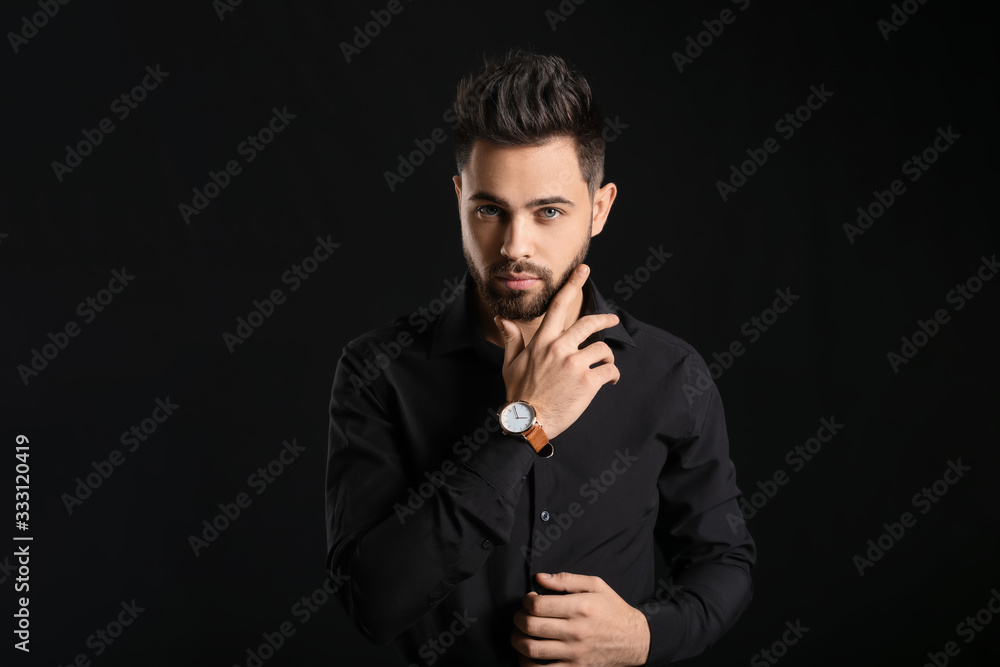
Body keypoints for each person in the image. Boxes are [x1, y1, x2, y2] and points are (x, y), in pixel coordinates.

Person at [325, 48, 755, 666]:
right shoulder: (378, 373)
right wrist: (524, 420)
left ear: (599, 210)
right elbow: (373, 603)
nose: (515, 246)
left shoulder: (669, 375)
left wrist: (645, 636)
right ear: (459, 199)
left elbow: (724, 563)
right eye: (489, 210)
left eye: (548, 211)